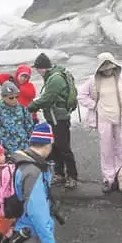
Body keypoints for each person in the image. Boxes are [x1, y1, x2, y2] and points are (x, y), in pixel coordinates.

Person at [78, 52, 122, 194]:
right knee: (106, 150)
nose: (108, 70)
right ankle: (108, 179)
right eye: (104, 67)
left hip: (120, 120)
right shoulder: (93, 81)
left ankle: (120, 178)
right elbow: (81, 96)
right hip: (104, 119)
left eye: (109, 67)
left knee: (120, 149)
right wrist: (95, 105)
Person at [27, 53, 79, 189]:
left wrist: (32, 106)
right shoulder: (52, 76)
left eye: (37, 68)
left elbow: (48, 98)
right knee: (55, 147)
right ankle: (60, 174)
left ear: (43, 68)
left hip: (59, 118)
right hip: (54, 118)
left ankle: (72, 176)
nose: (37, 72)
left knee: (63, 147)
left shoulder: (55, 79)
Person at [0, 81, 34, 154]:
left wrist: (31, 144)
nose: (14, 100)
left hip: (24, 148)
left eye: (17, 96)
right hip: (6, 150)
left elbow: (29, 127)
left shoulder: (23, 109)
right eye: (11, 97)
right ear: (3, 96)